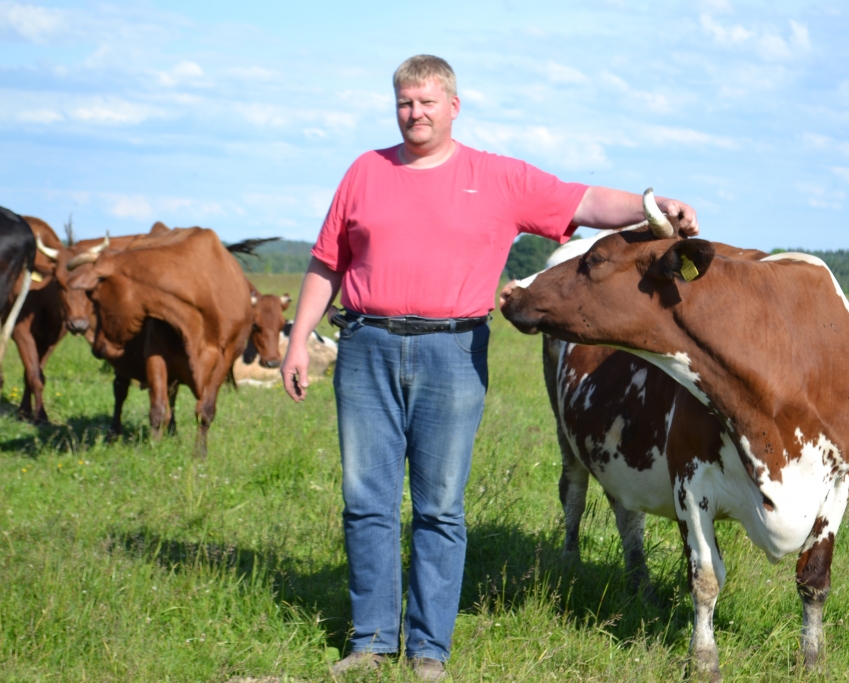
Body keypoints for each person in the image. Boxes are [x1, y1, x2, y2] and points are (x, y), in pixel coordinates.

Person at [280, 54, 698, 680]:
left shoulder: (495, 177)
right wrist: (297, 340)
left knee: (440, 506)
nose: (414, 114)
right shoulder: (364, 172)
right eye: (404, 103)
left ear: (453, 106)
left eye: (425, 102)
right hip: (365, 346)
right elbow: (325, 261)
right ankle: (369, 643)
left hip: (452, 351)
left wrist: (650, 203)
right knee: (366, 501)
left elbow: (581, 200)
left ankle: (428, 651)